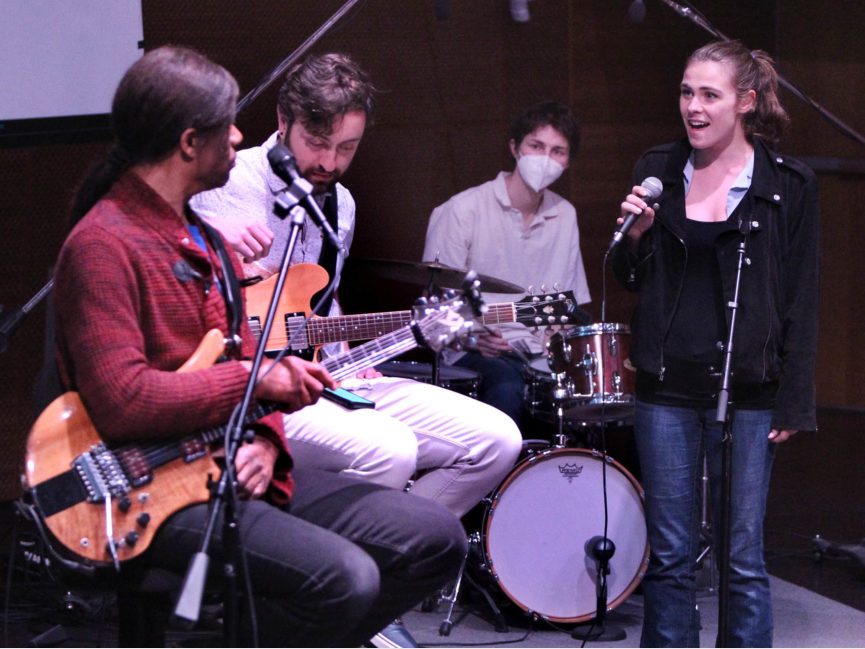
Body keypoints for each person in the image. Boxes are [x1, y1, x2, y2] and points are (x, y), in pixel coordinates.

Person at [51, 45, 467, 647]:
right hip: (148, 485)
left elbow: (247, 355)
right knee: (343, 579)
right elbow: (124, 401)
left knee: (435, 539)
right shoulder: (104, 244)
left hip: (228, 462)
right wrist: (262, 384)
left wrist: (269, 441)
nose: (242, 135)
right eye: (228, 126)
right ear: (191, 142)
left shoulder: (204, 243)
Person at [192, 52, 522, 518]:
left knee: (497, 440)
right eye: (317, 142)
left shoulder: (341, 205)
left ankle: (401, 553)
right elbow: (163, 265)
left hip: (324, 376)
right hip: (250, 390)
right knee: (390, 449)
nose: (329, 161)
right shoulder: (225, 180)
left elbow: (320, 299)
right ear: (283, 120)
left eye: (346, 147)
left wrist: (345, 348)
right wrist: (214, 247)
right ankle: (326, 572)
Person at [612, 40, 819, 647]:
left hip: (750, 394)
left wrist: (794, 398)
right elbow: (627, 277)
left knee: (742, 560)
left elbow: (802, 297)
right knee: (672, 560)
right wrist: (636, 237)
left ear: (745, 102)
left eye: (709, 95)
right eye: (686, 92)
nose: (693, 107)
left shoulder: (787, 184)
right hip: (665, 391)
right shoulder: (657, 169)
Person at [422, 100, 592, 428]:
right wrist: (472, 337)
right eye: (536, 146)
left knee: (589, 394)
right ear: (515, 148)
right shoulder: (462, 210)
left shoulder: (566, 214)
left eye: (558, 151)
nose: (546, 159)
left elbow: (569, 307)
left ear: (568, 161)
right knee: (507, 387)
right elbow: (435, 317)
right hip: (474, 350)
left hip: (539, 351)